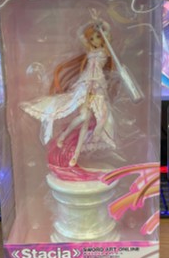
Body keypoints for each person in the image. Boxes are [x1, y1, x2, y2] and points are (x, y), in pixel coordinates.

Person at [20, 18, 117, 168]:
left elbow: (108, 32)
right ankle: (68, 143)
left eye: (97, 37)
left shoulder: (105, 51)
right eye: (92, 38)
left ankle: (83, 146)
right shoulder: (90, 51)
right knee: (84, 117)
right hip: (85, 84)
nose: (95, 40)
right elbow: (80, 35)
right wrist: (90, 22)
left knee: (98, 118)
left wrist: (101, 24)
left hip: (98, 86)